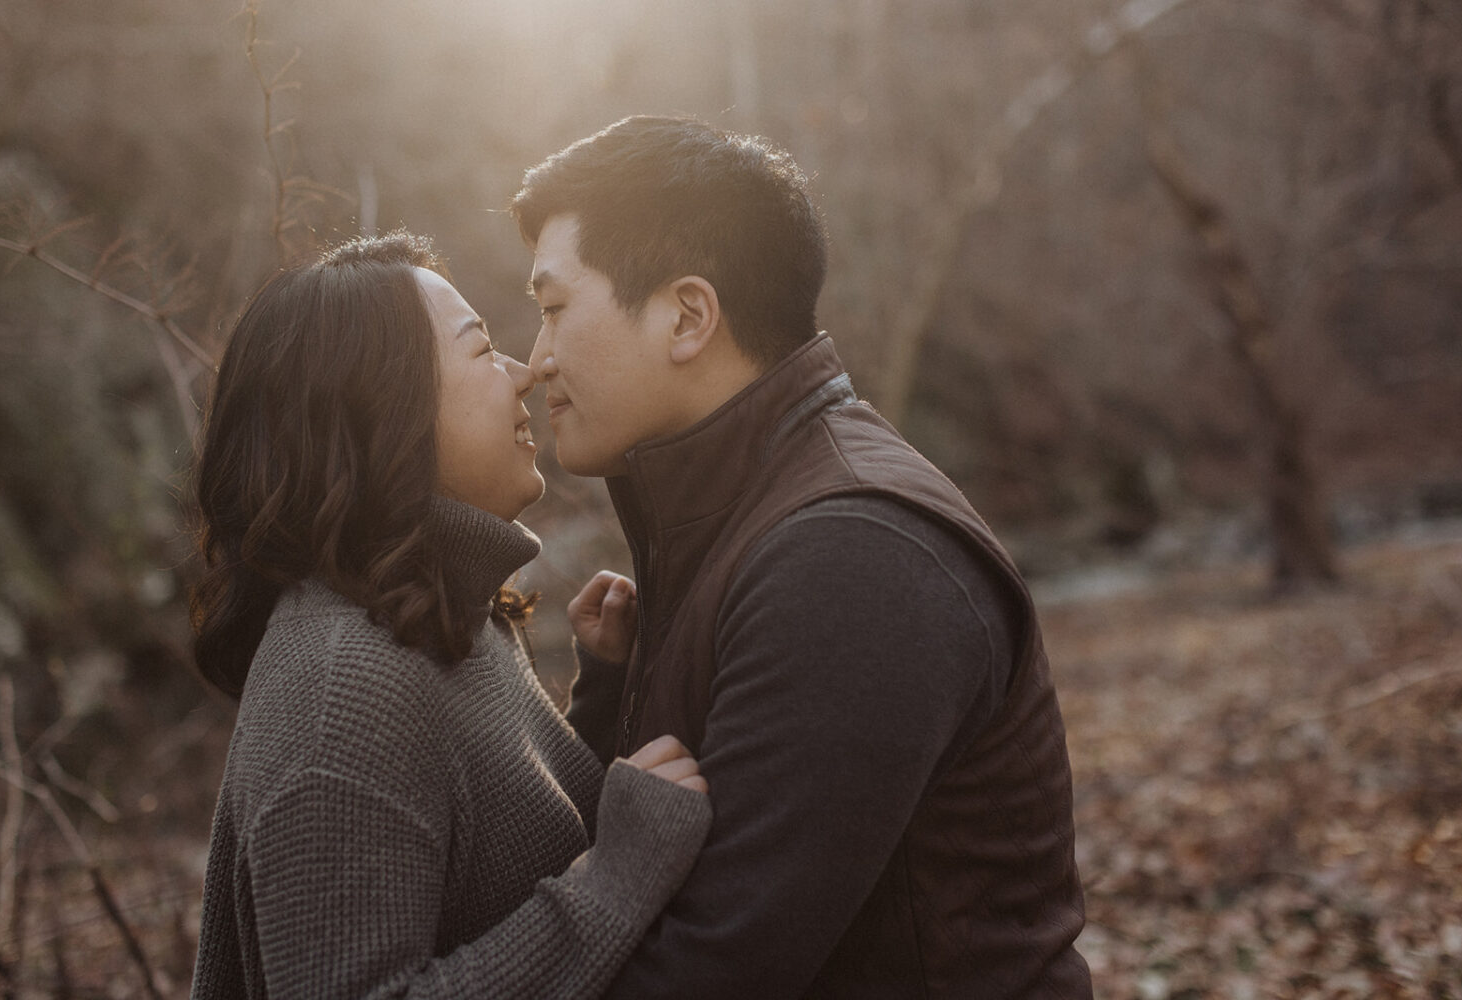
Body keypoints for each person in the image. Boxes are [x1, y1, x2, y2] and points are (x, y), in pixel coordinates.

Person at [511, 116, 1093, 999]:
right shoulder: (734, 520)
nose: (535, 359)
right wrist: (607, 692)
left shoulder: (853, 551)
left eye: (553, 310)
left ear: (688, 315)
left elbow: (712, 967)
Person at [186, 231, 711, 999]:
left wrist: (599, 701)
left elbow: (489, 868)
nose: (524, 373)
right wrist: (616, 882)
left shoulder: (435, 616)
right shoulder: (344, 693)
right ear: (385, 414)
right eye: (481, 351)